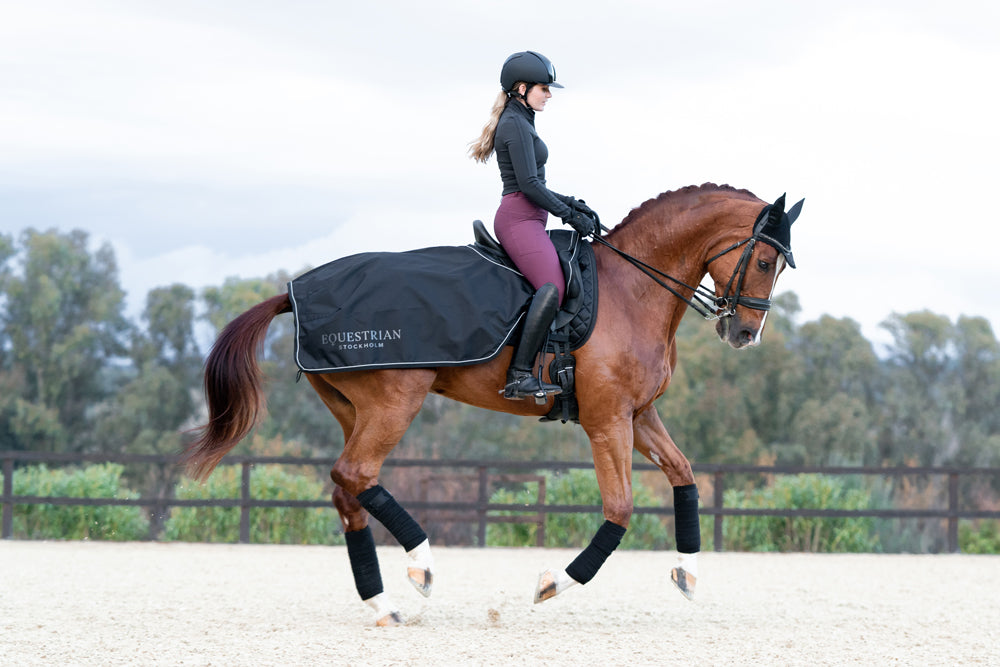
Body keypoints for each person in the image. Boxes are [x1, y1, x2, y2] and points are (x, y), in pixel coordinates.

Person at [468, 50, 600, 401]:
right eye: (544, 88)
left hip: (530, 217)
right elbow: (528, 185)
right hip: (519, 219)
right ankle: (518, 376)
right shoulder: (514, 123)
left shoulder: (522, 119)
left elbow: (536, 183)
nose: (549, 94)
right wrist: (567, 214)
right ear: (522, 88)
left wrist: (571, 203)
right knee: (552, 287)